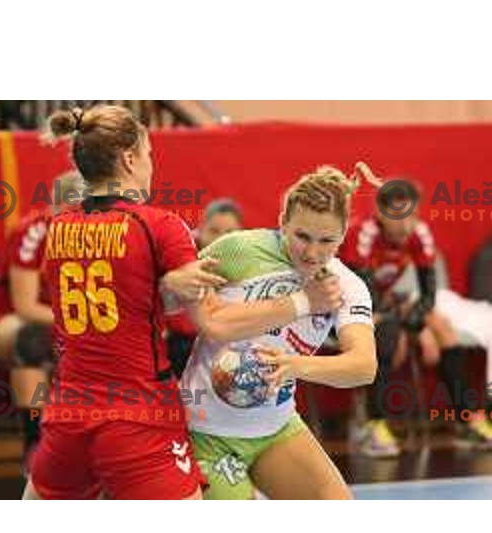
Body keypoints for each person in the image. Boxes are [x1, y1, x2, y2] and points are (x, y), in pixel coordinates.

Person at [24, 105, 227, 500]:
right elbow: (212, 321)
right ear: (130, 158)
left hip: (69, 416)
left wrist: (164, 286)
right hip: (139, 415)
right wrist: (301, 302)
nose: (152, 165)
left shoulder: (59, 228)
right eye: (149, 154)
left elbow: (120, 296)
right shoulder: (160, 225)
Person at [179, 164, 378, 500]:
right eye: (302, 236)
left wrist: (294, 366)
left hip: (276, 428)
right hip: (207, 431)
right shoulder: (237, 250)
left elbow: (363, 367)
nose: (312, 252)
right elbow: (198, 314)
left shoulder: (346, 285)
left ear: (343, 234)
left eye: (327, 240)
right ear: (283, 220)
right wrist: (301, 302)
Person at [341, 177, 492, 456]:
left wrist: (418, 322)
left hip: (384, 305)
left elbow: (428, 295)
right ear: (380, 213)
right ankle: (372, 425)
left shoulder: (419, 234)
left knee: (442, 327)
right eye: (396, 215)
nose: (404, 224)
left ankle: (468, 420)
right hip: (341, 306)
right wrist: (405, 324)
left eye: (410, 214)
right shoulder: (363, 234)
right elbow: (360, 293)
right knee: (387, 336)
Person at [0, 172, 83, 465]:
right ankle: (35, 444)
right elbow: (26, 306)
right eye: (69, 212)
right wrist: (83, 322)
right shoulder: (34, 231)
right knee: (30, 340)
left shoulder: (97, 233)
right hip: (0, 320)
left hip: (63, 323)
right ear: (53, 208)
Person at [166, 197, 244, 378]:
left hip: (226, 347)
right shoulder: (181, 256)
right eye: (214, 231)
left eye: (230, 232)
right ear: (200, 231)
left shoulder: (249, 262)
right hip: (181, 348)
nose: (222, 239)